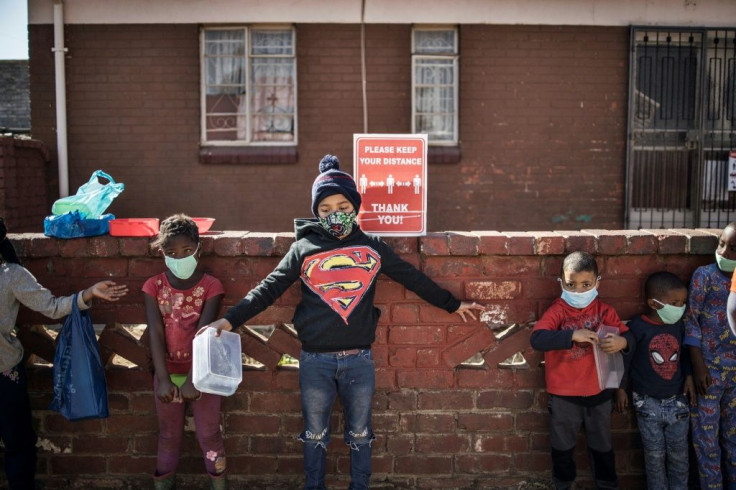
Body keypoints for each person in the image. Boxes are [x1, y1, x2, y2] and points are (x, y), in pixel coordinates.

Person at [202, 154, 485, 490]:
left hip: (359, 361)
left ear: (356, 207)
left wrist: (453, 305)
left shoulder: (372, 246)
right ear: (315, 212)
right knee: (314, 434)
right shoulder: (303, 248)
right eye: (325, 208)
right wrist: (229, 321)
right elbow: (269, 288)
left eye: (343, 205)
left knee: (361, 434)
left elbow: (413, 278)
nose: (335, 214)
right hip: (314, 362)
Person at [0, 217, 127, 490]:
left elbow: (52, 307)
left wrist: (88, 294)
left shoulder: (11, 276)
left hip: (5, 372)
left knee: (17, 440)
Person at [530, 251, 631, 490]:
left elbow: (629, 342)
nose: (578, 291)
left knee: (603, 447)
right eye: (571, 284)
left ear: (598, 282)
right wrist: (572, 335)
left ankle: (607, 485)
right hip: (564, 396)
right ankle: (563, 485)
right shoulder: (558, 311)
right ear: (561, 282)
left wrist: (623, 343)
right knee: (562, 448)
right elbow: (538, 339)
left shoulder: (605, 311)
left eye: (586, 284)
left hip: (600, 394)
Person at [142, 214, 226, 490]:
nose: (180, 257)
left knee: (209, 434)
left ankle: (219, 484)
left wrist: (194, 377)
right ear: (162, 253)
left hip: (203, 375)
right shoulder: (153, 286)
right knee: (168, 435)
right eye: (171, 252)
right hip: (167, 374)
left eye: (187, 251)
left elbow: (204, 334)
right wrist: (164, 379)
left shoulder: (211, 286)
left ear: (198, 249)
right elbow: (154, 331)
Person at [614, 271, 695, 490]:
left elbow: (685, 354)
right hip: (646, 403)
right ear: (653, 303)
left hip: (678, 401)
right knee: (654, 457)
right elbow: (626, 361)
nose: (680, 307)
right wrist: (621, 389)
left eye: (683, 302)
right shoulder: (637, 327)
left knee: (680, 457)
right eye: (675, 303)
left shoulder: (678, 325)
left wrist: (688, 377)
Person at [685, 222, 736, 489]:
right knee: (707, 442)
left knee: (733, 441)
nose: (725, 253)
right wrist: (698, 367)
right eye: (721, 244)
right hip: (709, 374)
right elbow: (691, 321)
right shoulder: (703, 276)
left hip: (735, 378)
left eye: (733, 249)